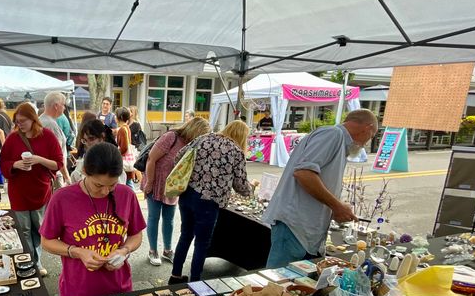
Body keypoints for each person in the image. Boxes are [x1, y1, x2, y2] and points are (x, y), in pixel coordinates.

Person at [263, 109, 378, 267]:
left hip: (302, 227)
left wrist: (335, 209)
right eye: (371, 137)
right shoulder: (333, 134)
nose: (366, 143)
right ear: (367, 127)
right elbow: (303, 173)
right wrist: (337, 206)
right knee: (279, 284)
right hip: (295, 225)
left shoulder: (339, 142)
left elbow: (316, 178)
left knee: (292, 285)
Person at [41, 142, 145, 296]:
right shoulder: (62, 198)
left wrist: (124, 251)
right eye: (98, 185)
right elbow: (47, 241)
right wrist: (78, 252)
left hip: (120, 288)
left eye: (112, 185)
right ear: (84, 172)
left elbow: (136, 235)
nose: (104, 191)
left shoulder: (126, 195)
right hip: (78, 292)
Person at [169, 121, 252, 284]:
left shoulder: (203, 138)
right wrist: (252, 189)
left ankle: (175, 276)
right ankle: (195, 282)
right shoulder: (236, 151)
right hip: (209, 202)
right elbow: (241, 185)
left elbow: (179, 157)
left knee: (185, 235)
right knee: (201, 243)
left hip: (187, 194)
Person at [0, 102, 64, 277]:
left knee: (38, 229)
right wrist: (15, 164)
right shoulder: (13, 139)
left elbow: (58, 163)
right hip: (18, 191)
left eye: (22, 121)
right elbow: (3, 163)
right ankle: (30, 263)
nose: (19, 124)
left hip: (40, 191)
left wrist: (38, 159)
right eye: (17, 121)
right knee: (23, 230)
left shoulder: (48, 136)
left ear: (33, 119)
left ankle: (36, 259)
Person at [142, 117, 210, 266]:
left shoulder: (192, 144)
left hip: (173, 186)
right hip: (156, 182)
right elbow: (151, 159)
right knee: (154, 217)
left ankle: (167, 250)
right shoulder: (171, 137)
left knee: (170, 219)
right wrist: (150, 183)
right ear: (195, 130)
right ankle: (152, 250)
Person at [71, 119, 122, 184]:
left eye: (91, 139)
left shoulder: (112, 157)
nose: (87, 143)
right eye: (85, 140)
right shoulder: (83, 160)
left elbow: (119, 185)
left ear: (102, 137)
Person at [39, 92, 71, 184]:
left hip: (49, 173)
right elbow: (57, 154)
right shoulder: (50, 124)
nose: (64, 108)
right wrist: (67, 177)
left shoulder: (41, 120)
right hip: (55, 174)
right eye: (63, 105)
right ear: (56, 106)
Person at [115, 106, 138, 188]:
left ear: (119, 117)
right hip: (127, 160)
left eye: (116, 115)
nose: (115, 117)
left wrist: (117, 153)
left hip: (124, 161)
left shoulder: (122, 130)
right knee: (128, 182)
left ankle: (132, 198)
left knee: (127, 182)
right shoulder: (126, 127)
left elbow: (124, 147)